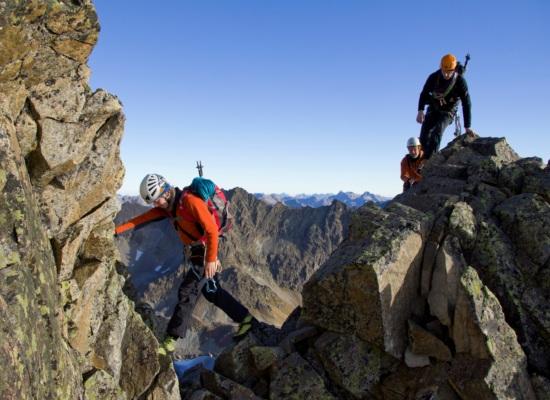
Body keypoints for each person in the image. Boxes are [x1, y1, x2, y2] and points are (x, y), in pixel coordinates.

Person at [115, 173, 257, 354]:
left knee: (188, 292)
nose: (154, 204)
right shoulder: (168, 208)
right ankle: (246, 319)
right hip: (198, 252)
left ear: (164, 193)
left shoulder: (190, 202)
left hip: (205, 252)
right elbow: (140, 220)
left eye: (155, 200)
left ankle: (170, 340)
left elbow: (212, 230)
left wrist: (211, 259)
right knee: (211, 291)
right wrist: (115, 231)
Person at [417, 53, 475, 158]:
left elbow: (466, 103)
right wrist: (420, 110)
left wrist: (467, 126)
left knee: (437, 131)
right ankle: (422, 161)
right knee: (424, 135)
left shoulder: (460, 81)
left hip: (448, 111)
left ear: (454, 70)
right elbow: (424, 93)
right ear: (441, 68)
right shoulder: (433, 77)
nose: (446, 75)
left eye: (450, 72)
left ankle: (430, 160)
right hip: (433, 108)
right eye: (444, 71)